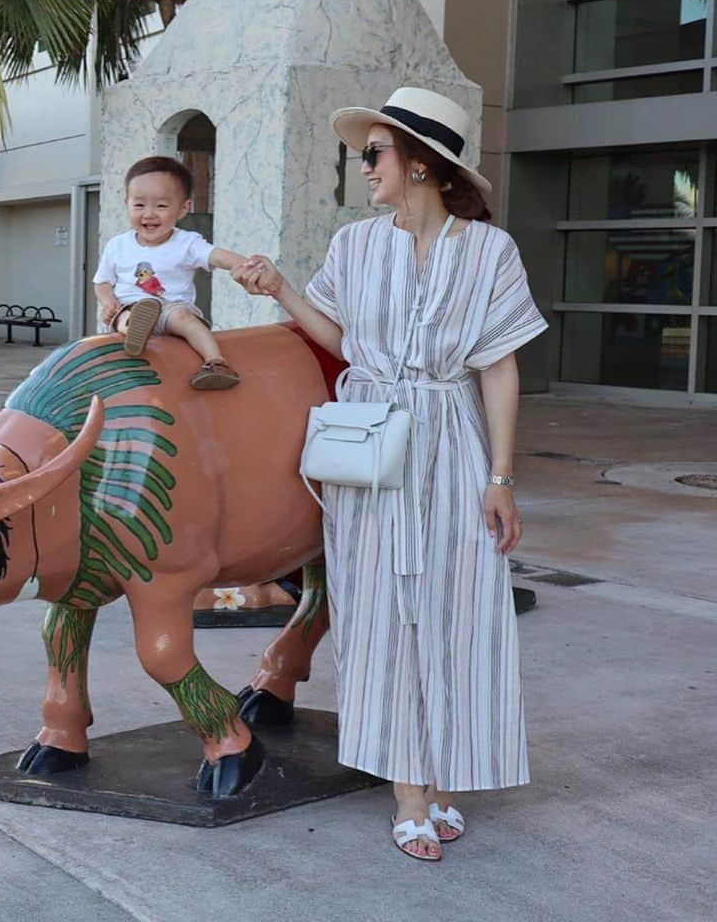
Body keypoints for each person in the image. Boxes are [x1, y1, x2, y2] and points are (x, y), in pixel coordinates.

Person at [233, 86, 548, 862]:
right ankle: (409, 789)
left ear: (421, 165)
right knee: (382, 616)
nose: (364, 165)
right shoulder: (356, 246)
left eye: (374, 152)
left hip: (452, 444)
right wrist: (279, 290)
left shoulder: (489, 252)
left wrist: (501, 476)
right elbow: (340, 339)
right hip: (372, 450)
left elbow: (499, 368)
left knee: (456, 612)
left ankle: (442, 776)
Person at [94, 156, 248, 390]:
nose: (149, 213)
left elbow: (215, 255)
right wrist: (109, 303)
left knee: (187, 320)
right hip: (129, 306)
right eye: (139, 205)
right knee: (125, 319)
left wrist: (246, 265)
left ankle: (216, 362)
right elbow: (103, 282)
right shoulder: (117, 245)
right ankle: (136, 332)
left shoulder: (187, 243)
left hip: (171, 309)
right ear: (126, 202)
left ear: (183, 208)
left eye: (161, 206)